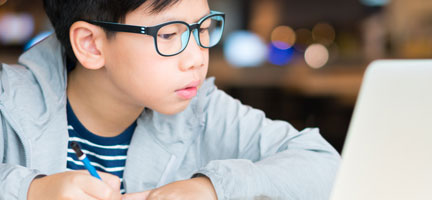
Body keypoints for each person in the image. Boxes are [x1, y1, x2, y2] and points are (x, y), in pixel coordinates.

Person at [0, 0, 341, 199]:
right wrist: (31, 191)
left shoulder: (202, 110)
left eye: (202, 29)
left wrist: (211, 189)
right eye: (169, 34)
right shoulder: (8, 100)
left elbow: (324, 165)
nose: (196, 58)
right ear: (91, 44)